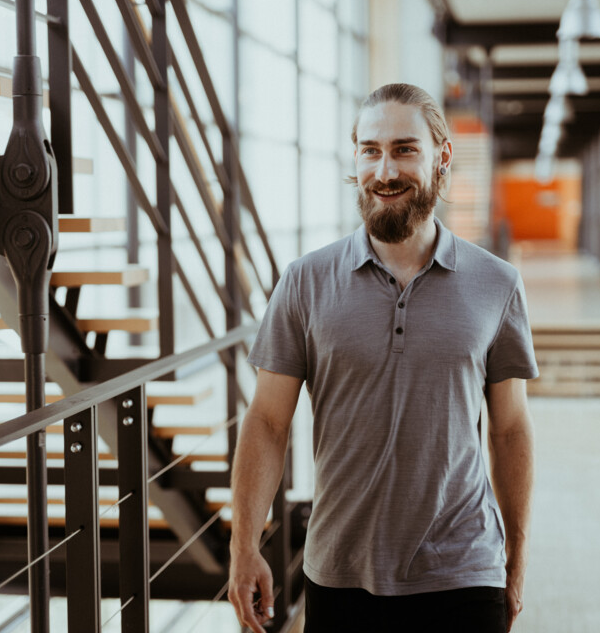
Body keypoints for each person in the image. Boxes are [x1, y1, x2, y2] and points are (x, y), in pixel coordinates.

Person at [229, 83, 539, 633]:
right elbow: (268, 421)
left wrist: (516, 554)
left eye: (404, 149)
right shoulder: (305, 281)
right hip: (342, 572)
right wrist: (244, 544)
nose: (385, 171)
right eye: (370, 150)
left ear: (441, 157)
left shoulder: (497, 283)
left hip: (465, 572)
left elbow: (510, 429)